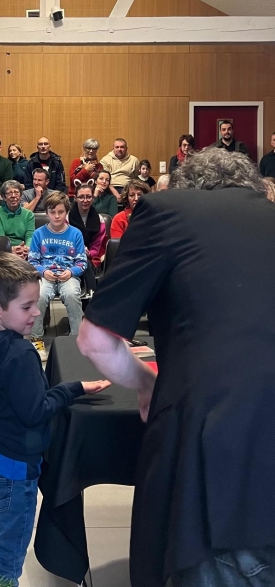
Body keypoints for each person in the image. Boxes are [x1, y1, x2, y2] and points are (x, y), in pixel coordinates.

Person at [77, 148, 275, 587]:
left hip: (228, 462)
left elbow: (94, 339)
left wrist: (146, 382)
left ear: (188, 188)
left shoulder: (168, 209)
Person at [0, 252, 110, 586]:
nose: (37, 312)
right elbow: (36, 411)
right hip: (14, 468)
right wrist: (72, 389)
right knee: (8, 556)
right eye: (26, 307)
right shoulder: (20, 353)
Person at [28, 192, 87, 362]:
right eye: (52, 212)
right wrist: (42, 271)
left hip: (68, 276)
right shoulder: (39, 234)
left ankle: (77, 338)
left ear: (66, 212)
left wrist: (71, 272)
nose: (57, 216)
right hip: (45, 275)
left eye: (61, 212)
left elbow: (82, 262)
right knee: (39, 296)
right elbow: (32, 260)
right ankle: (36, 339)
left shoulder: (75, 234)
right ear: (46, 213)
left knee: (71, 295)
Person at [0, 180, 34, 259]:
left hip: (24, 252)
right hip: (3, 251)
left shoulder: (29, 214)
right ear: (4, 197)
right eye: (9, 193)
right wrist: (11, 249)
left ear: (20, 196)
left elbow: (30, 236)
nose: (13, 196)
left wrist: (26, 249)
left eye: (16, 192)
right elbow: (0, 237)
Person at [68, 182, 107, 272]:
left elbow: (98, 244)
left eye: (88, 196)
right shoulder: (67, 217)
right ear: (75, 199)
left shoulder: (99, 219)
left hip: (91, 257)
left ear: (93, 198)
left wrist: (90, 253)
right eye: (81, 197)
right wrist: (80, 250)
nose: (85, 200)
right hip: (71, 256)